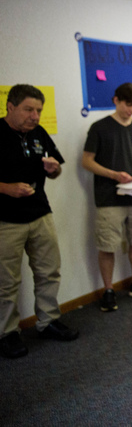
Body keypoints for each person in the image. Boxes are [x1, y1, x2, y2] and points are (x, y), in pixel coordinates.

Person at [0, 84, 79, 359]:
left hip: (40, 212)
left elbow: (55, 167)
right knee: (5, 281)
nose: (35, 116)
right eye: (29, 110)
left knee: (49, 270)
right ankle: (7, 333)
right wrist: (7, 188)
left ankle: (48, 321)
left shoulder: (39, 133)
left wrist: (54, 168)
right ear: (10, 106)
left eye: (39, 111)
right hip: (6, 220)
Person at [82, 82, 132, 312]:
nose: (131, 110)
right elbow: (87, 161)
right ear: (116, 100)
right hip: (109, 198)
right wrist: (113, 174)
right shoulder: (99, 128)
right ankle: (108, 289)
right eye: (127, 105)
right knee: (108, 245)